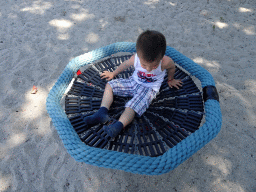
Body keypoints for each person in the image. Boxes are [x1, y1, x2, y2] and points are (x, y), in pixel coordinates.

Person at [84, 30, 183, 138]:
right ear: (139, 57)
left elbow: (172, 68)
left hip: (149, 90)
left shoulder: (166, 62)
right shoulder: (135, 59)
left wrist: (170, 79)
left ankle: (117, 126)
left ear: (161, 57)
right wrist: (113, 73)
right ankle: (102, 112)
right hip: (133, 82)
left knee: (132, 106)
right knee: (110, 85)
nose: (149, 69)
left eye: (154, 66)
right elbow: (125, 65)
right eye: (144, 65)